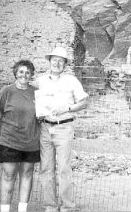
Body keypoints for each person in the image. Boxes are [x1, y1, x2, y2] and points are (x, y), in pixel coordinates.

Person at [37, 46, 88, 212]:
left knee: (64, 168)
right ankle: (50, 206)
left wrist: (68, 108)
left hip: (64, 127)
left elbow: (83, 102)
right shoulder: (41, 81)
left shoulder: (71, 81)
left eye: (61, 61)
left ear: (65, 64)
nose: (57, 63)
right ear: (49, 61)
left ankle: (67, 206)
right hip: (45, 128)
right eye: (54, 60)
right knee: (46, 168)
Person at [0, 60, 40, 212]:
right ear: (15, 73)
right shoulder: (7, 91)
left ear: (31, 74)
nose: (24, 75)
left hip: (31, 142)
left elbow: (42, 114)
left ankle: (22, 209)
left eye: (27, 72)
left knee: (27, 174)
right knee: (8, 175)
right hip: (10, 141)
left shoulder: (36, 93)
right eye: (21, 71)